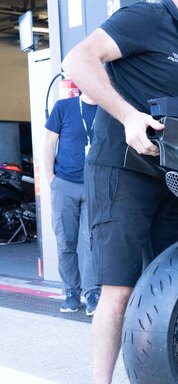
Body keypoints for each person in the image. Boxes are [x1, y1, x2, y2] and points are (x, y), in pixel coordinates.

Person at [61, 0, 178, 384]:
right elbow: (77, 60)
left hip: (164, 177)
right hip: (120, 171)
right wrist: (128, 115)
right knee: (120, 289)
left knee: (176, 283)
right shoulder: (146, 16)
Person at [44, 93, 101, 316]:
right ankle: (71, 292)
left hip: (94, 186)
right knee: (65, 241)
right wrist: (51, 180)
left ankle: (93, 292)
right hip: (64, 184)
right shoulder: (63, 107)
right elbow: (49, 143)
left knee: (93, 242)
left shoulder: (107, 109)